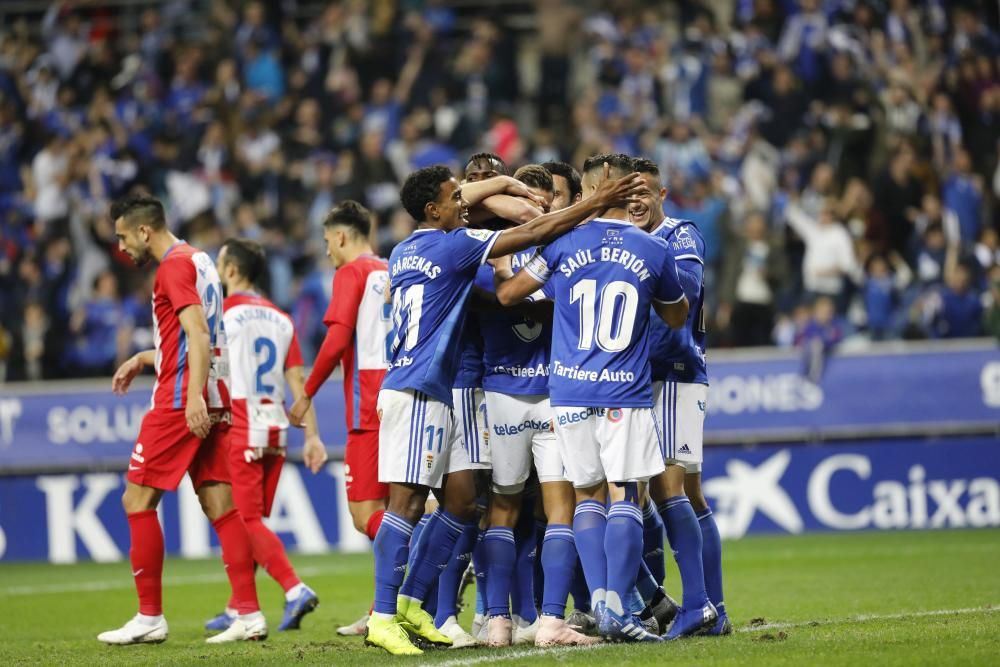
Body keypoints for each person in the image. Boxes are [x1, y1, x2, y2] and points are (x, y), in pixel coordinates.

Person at [365, 163, 645, 655]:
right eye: (455, 199)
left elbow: (460, 203)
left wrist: (508, 186)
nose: (464, 203)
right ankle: (383, 616)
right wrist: (595, 205)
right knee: (405, 504)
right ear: (434, 210)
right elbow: (535, 230)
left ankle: (410, 605)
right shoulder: (454, 246)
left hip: (428, 388)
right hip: (416, 389)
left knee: (465, 499)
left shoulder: (405, 248)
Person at [492, 153, 690, 642]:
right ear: (627, 191)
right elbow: (677, 316)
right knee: (625, 492)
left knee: (585, 497)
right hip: (623, 389)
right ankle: (617, 608)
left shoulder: (562, 243)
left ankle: (600, 599)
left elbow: (510, 293)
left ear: (595, 191)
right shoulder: (651, 249)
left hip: (567, 391)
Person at [100, 195, 265, 645]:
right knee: (221, 505)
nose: (120, 248)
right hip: (215, 393)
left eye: (121, 237)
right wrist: (143, 356)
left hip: (180, 400)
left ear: (143, 231)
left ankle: (149, 616)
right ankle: (249, 614)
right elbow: (195, 337)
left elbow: (197, 333)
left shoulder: (171, 266)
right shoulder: (200, 260)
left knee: (136, 502)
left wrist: (190, 396)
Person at [478, 164, 597, 648]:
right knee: (558, 508)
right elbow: (556, 301)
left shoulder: (485, 251)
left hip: (505, 394)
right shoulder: (561, 251)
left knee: (505, 509)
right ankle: (549, 620)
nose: (540, 205)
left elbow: (501, 296)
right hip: (549, 392)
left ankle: (498, 621)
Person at [202, 238, 327, 633]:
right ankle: (237, 604)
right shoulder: (281, 318)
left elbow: (204, 365)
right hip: (276, 429)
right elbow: (297, 381)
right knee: (252, 523)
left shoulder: (221, 316)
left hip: (242, 425)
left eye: (219, 264)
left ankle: (293, 589)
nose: (216, 270)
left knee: (245, 521)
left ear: (233, 271)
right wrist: (312, 436)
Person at [630, 158, 730, 638]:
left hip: (672, 372)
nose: (636, 200)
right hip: (642, 378)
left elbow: (680, 307)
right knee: (674, 491)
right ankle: (706, 607)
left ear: (662, 194)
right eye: (629, 193)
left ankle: (700, 607)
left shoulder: (680, 236)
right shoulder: (628, 240)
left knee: (673, 489)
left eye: (645, 191)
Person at [287, 200, 393, 636]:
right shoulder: (392, 267)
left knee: (364, 511)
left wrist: (305, 395)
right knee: (393, 506)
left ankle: (433, 555)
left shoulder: (350, 272)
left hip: (368, 404)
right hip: (403, 394)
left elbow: (335, 341)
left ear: (343, 236)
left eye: (328, 240)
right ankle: (382, 610)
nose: (327, 250)